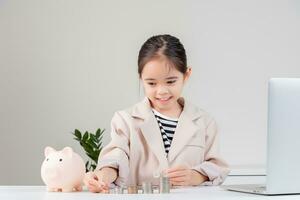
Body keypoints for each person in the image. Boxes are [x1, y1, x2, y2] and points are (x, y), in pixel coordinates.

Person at [84, 34, 230, 193]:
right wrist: (102, 177)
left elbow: (217, 167)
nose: (161, 91)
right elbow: (115, 160)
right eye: (151, 83)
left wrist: (195, 175)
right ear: (141, 78)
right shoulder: (125, 120)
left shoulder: (204, 122)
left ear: (186, 75)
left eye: (171, 81)